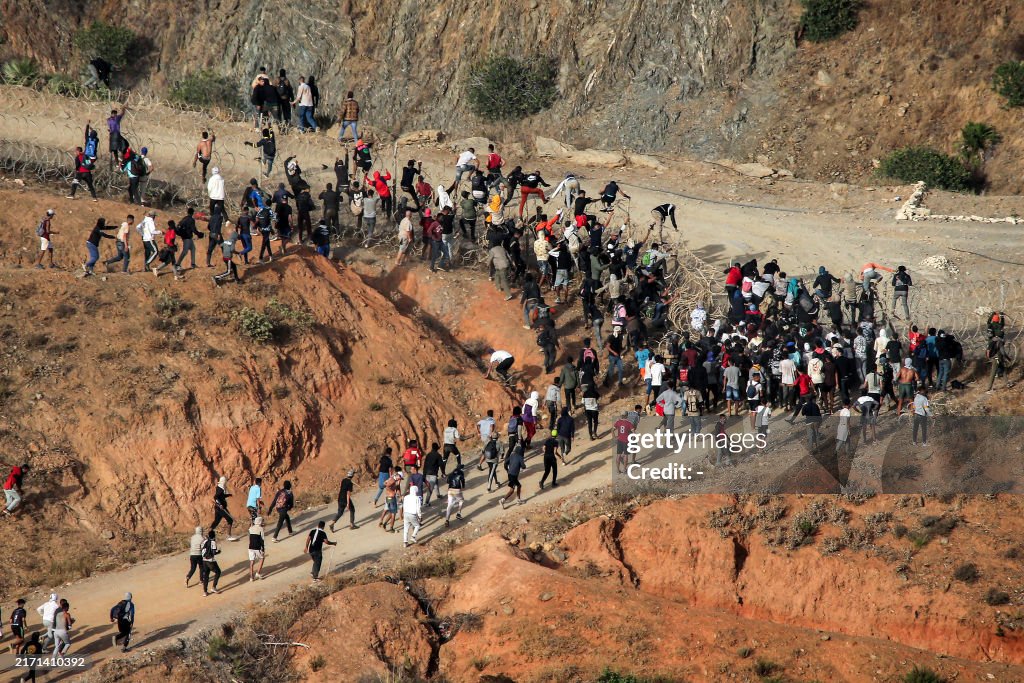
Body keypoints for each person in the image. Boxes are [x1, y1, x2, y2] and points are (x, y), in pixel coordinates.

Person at [500, 443, 526, 508]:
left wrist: (507, 469)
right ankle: (503, 500)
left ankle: (518, 500)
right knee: (512, 490)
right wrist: (522, 465)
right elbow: (523, 466)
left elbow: (506, 462)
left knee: (517, 486)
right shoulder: (520, 457)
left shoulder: (512, 455)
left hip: (510, 474)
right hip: (514, 475)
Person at [200, 530, 222, 595]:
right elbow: (214, 552)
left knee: (206, 575)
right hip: (210, 561)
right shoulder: (213, 542)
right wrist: (219, 552)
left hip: (204, 560)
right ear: (214, 536)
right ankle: (214, 587)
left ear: (209, 535)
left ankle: (205, 592)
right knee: (218, 572)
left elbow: (201, 548)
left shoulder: (205, 541)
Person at [248, 516, 266, 581]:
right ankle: (258, 573)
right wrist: (263, 549)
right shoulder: (261, 529)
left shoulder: (251, 528)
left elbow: (249, 539)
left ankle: (251, 577)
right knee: (262, 558)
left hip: (250, 547)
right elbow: (262, 540)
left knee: (251, 562)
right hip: (257, 547)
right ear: (260, 522)